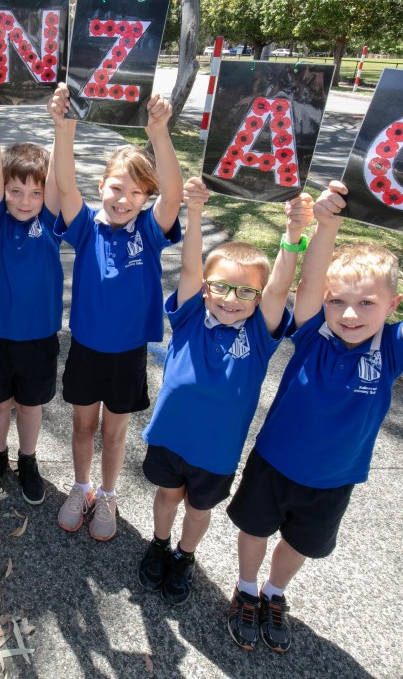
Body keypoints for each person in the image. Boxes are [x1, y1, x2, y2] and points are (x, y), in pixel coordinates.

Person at [225, 179, 403, 653]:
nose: (349, 314)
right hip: (274, 462)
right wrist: (327, 226)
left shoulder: (392, 348)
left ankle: (275, 592)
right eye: (338, 301)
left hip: (333, 478)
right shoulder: (312, 332)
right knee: (254, 529)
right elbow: (310, 282)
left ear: (392, 307)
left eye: (366, 303)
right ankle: (245, 588)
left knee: (300, 544)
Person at [138, 176, 313, 605]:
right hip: (170, 438)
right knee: (166, 497)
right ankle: (159, 544)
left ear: (257, 298)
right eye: (220, 287)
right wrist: (194, 212)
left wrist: (293, 239)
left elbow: (278, 288)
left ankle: (184, 555)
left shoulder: (259, 333)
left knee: (199, 510)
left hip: (216, 453)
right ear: (204, 288)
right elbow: (194, 266)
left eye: (246, 292)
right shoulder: (191, 316)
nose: (231, 299)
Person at [48, 83, 184, 542]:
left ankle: (107, 495)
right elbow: (65, 186)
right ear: (101, 186)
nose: (122, 199)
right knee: (83, 426)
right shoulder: (86, 226)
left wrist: (159, 133)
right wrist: (63, 129)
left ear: (146, 197)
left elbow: (175, 191)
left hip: (127, 354)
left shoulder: (148, 231)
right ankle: (81, 487)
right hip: (87, 349)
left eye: (134, 193)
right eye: (115, 188)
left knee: (113, 433)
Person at [0, 88, 63, 505]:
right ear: (4, 190)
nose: (25, 201)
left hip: (39, 336)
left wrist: (62, 125)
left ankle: (28, 460)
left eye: (34, 192)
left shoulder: (50, 220)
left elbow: (59, 177)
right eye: (15, 191)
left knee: (29, 405)